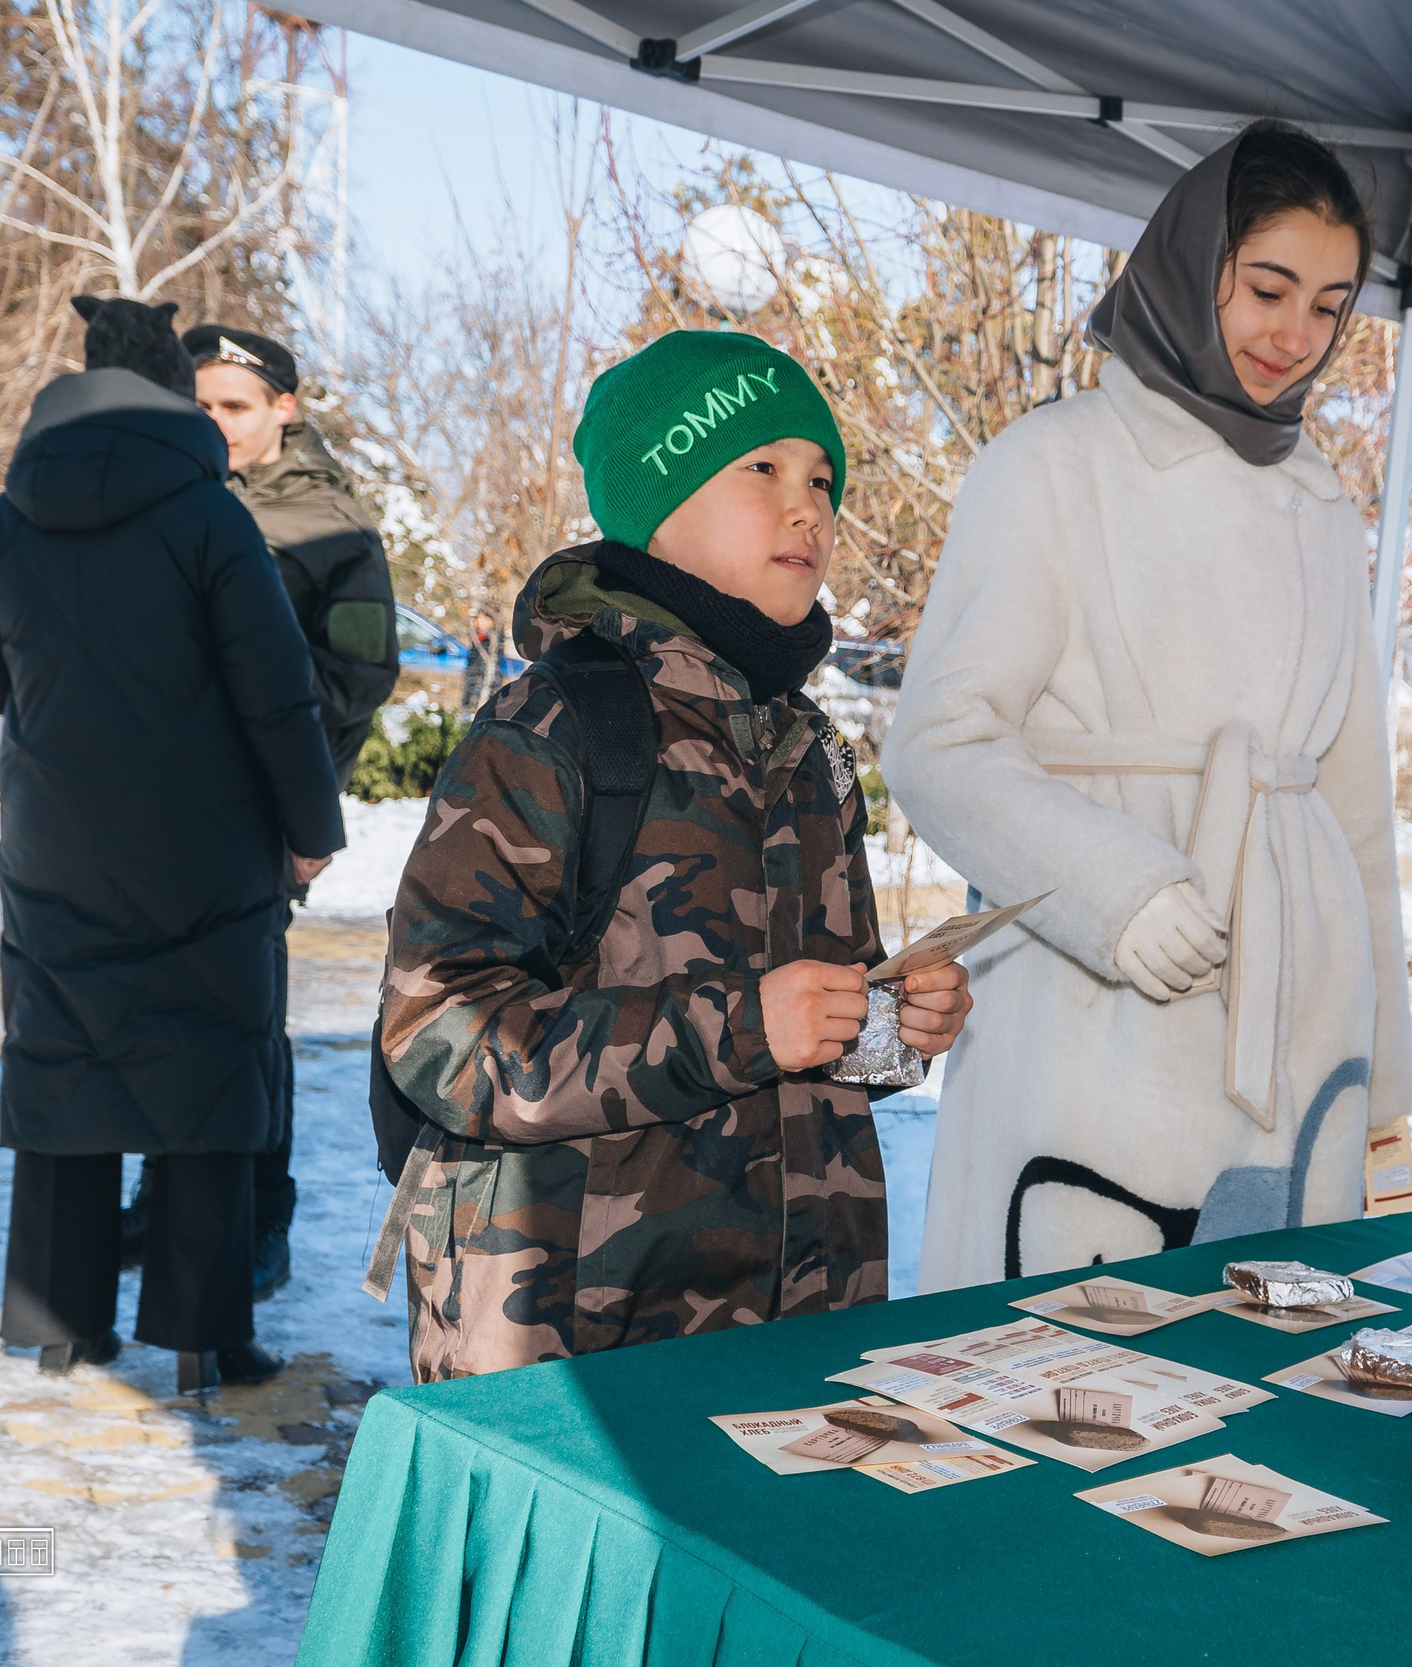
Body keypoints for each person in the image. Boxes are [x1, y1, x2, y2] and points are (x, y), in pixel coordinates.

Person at [368, 329, 973, 1379]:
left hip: (800, 1325)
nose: (809, 507)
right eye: (761, 468)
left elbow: (810, 1025)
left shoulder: (805, 746)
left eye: (825, 478)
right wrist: (746, 1026)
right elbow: (438, 1036)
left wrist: (891, 1027)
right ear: (659, 500)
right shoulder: (553, 728)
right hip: (571, 1339)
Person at [883, 122, 1412, 1289]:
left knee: (1267, 1381)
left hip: (1302, 1000)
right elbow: (938, 742)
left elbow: (1354, 802)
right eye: (1268, 287)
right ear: (1189, 267)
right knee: (1066, 1367)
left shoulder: (1323, 502)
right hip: (1093, 1002)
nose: (1296, 335)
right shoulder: (1049, 465)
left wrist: (1382, 1094)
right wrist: (1116, 889)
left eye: (1329, 306)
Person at [0, 295, 343, 1393]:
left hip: (54, 840)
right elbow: (278, 697)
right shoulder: (210, 518)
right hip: (203, 844)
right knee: (205, 1072)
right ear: (175, 396)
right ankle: (206, 1339)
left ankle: (63, 1325)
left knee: (67, 1061)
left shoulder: (6, 517)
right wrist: (312, 832)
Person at [142, 323, 398, 1302]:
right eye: (200, 406)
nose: (215, 424)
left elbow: (357, 674)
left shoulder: (330, 525)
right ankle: (163, 1191)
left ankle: (258, 1219)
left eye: (234, 407)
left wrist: (303, 815)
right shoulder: (172, 497)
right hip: (159, 810)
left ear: (284, 410)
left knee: (241, 1023)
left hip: (254, 809)